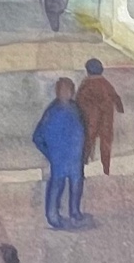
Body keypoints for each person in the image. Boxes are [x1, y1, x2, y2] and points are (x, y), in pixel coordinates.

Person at [31, 77, 91, 230]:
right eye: (62, 90)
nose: (66, 93)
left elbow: (84, 131)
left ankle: (75, 212)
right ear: (57, 92)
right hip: (59, 159)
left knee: (77, 184)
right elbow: (37, 137)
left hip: (75, 158)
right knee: (57, 184)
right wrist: (50, 154)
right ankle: (53, 216)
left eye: (68, 90)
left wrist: (84, 151)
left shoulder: (76, 109)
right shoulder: (51, 112)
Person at [76, 57, 124, 174]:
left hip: (90, 117)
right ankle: (106, 168)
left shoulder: (86, 84)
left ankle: (82, 164)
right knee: (106, 143)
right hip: (106, 117)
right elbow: (115, 96)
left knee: (87, 140)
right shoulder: (105, 83)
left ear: (87, 70)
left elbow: (79, 99)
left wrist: (77, 111)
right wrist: (120, 108)